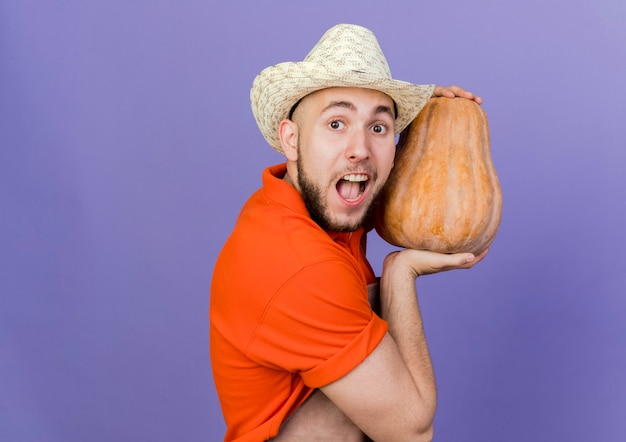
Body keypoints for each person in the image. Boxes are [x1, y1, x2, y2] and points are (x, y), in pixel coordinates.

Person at [210, 23, 487, 441]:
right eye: (336, 124)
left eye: (378, 128)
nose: (360, 148)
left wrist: (437, 120)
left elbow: (395, 188)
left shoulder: (313, 203)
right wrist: (400, 274)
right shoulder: (300, 264)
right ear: (291, 139)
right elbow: (411, 432)